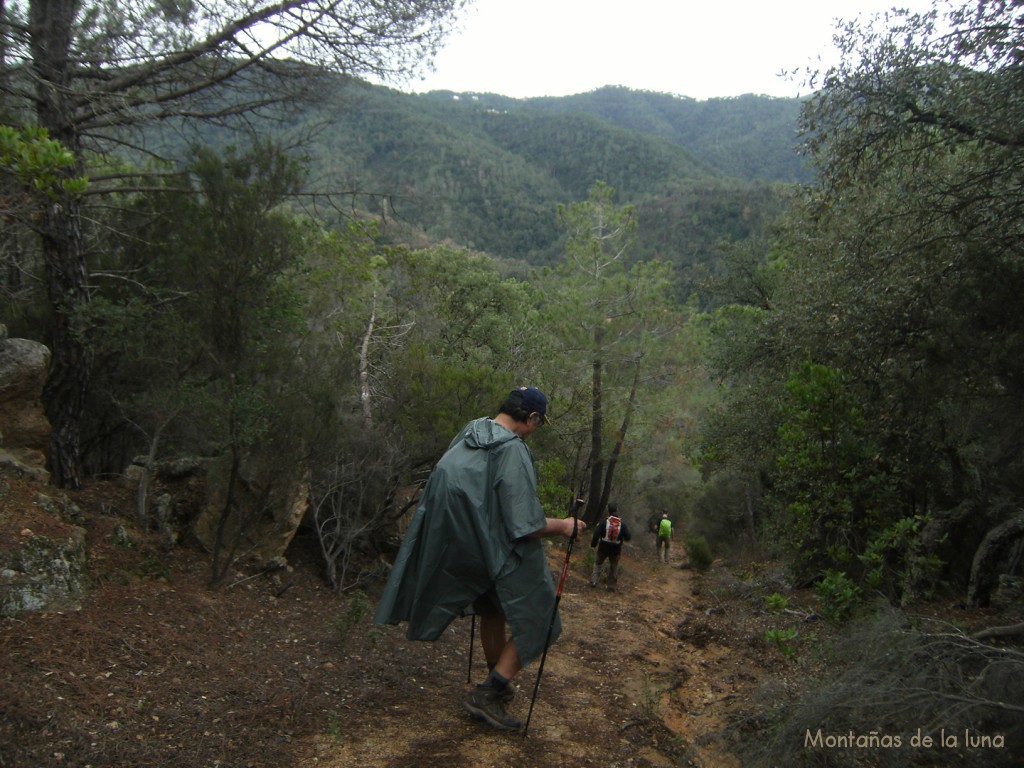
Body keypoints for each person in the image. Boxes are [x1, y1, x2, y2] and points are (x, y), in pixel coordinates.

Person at [373, 386, 585, 733]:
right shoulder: (513, 451)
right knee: (542, 618)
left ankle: (493, 678)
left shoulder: (470, 430)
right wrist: (566, 526)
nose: (536, 430)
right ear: (530, 418)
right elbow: (526, 525)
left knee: (493, 609)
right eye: (538, 423)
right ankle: (491, 690)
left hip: (464, 550)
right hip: (496, 553)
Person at [589, 502, 631, 590]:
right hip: (616, 549)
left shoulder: (604, 522)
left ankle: (594, 581)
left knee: (598, 563)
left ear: (608, 510)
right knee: (614, 566)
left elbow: (596, 534)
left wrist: (593, 544)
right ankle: (611, 586)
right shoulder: (622, 524)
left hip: (603, 547)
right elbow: (628, 537)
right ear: (617, 510)